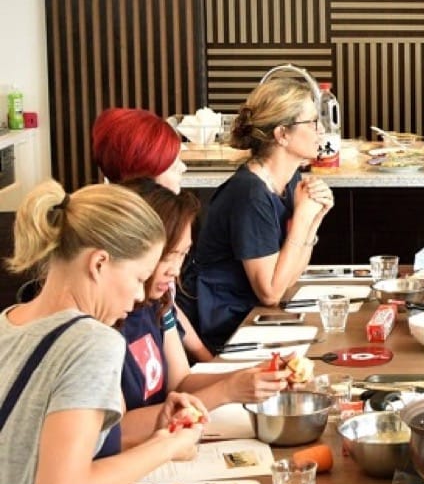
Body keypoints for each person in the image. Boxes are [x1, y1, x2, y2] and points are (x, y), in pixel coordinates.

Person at [0, 181, 204, 484]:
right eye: (139, 277)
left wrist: (156, 435)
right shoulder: (93, 341)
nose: (140, 294)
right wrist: (169, 447)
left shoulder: (9, 321)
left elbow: (34, 451)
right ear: (98, 263)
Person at [118, 180, 289, 449]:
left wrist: (254, 375)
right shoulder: (108, 317)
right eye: (168, 256)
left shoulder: (158, 302)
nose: (175, 269)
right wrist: (227, 391)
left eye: (183, 255)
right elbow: (118, 431)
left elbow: (181, 382)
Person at [179, 78, 334, 353]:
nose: (321, 130)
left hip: (254, 319)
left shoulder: (288, 179)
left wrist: (314, 219)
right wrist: (301, 219)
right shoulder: (249, 194)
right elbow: (271, 292)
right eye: (311, 122)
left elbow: (288, 278)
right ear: (282, 134)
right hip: (226, 329)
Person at [92, 106, 211, 361]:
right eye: (171, 163)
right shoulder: (121, 234)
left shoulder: (165, 216)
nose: (183, 168)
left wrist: (205, 356)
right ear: (144, 170)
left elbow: (168, 306)